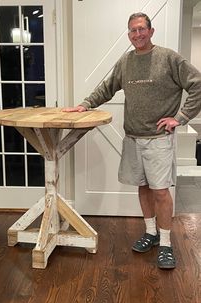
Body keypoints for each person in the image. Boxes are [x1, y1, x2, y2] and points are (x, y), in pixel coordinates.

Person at [63, 12, 201, 269]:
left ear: (151, 31)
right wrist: (84, 105)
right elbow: (107, 87)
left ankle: (167, 244)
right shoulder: (126, 61)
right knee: (143, 187)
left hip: (159, 138)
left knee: (161, 191)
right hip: (133, 137)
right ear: (129, 35)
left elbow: (198, 84)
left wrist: (180, 118)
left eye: (141, 29)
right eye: (132, 31)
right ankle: (151, 233)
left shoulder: (169, 58)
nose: (137, 35)